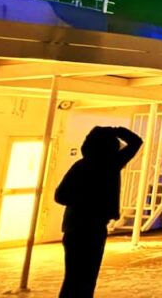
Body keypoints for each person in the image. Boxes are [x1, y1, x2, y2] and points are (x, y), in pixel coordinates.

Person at [55, 125, 143, 298]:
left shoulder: (84, 165)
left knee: (75, 278)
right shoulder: (110, 164)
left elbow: (60, 195)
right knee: (84, 277)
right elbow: (135, 141)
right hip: (89, 227)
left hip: (76, 227)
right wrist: (115, 130)